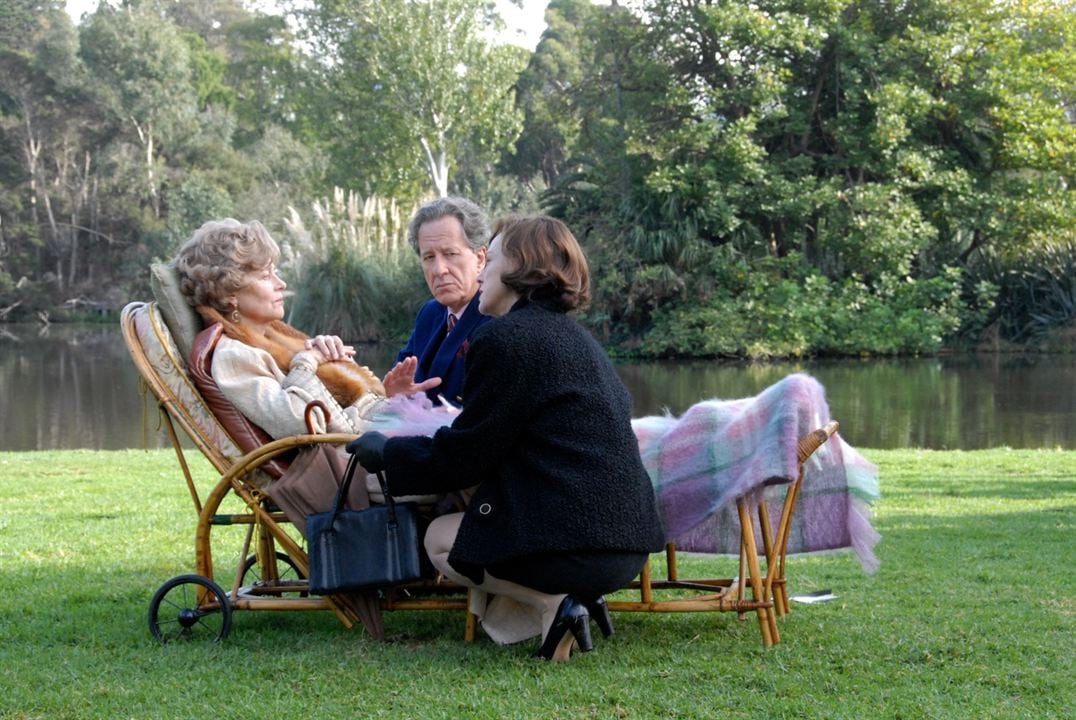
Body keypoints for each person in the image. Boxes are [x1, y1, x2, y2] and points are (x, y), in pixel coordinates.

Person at [350, 216, 665, 661]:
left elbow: (466, 456)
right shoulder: (577, 339)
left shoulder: (506, 339)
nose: (480, 272)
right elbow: (484, 439)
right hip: (627, 547)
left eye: (490, 259)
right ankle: (571, 599)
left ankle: (555, 603)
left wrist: (387, 451)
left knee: (440, 537)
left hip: (578, 545)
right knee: (479, 519)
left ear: (518, 266)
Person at [173, 218, 439, 439]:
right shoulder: (234, 357)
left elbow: (339, 409)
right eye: (265, 276)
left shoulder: (277, 339)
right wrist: (307, 362)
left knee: (464, 436)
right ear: (229, 291)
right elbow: (301, 423)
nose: (280, 283)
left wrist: (387, 397)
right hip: (352, 470)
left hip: (373, 441)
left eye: (275, 272)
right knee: (464, 448)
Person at [396, 197, 492, 407]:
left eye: (450, 254)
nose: (439, 270)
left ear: (480, 258)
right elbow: (397, 381)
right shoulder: (430, 314)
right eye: (429, 257)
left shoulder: (498, 319)